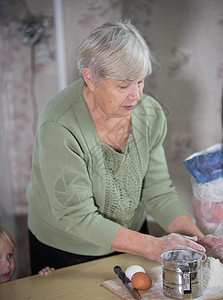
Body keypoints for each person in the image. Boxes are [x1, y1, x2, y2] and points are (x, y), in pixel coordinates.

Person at [26, 20, 223, 275]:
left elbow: (158, 191)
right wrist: (153, 246)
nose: (137, 96)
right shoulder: (59, 126)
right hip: (69, 250)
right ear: (90, 78)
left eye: (140, 82)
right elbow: (77, 217)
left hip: (133, 239)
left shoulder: (148, 114)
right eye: (123, 85)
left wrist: (200, 242)